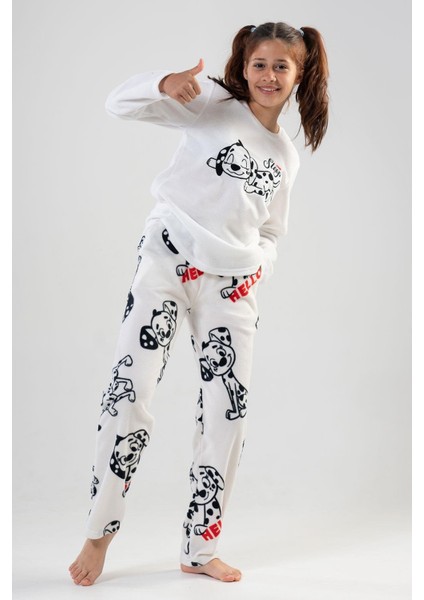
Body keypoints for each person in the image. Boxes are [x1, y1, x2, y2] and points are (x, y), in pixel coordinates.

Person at [69, 21, 329, 585]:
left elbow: (271, 231)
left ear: (299, 74)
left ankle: (200, 547)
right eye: (259, 64)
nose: (268, 76)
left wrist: (258, 269)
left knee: (227, 415)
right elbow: (119, 104)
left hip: (231, 283)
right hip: (167, 259)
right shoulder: (212, 101)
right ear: (244, 66)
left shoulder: (285, 156)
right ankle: (98, 535)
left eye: (281, 67)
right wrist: (163, 84)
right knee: (129, 393)